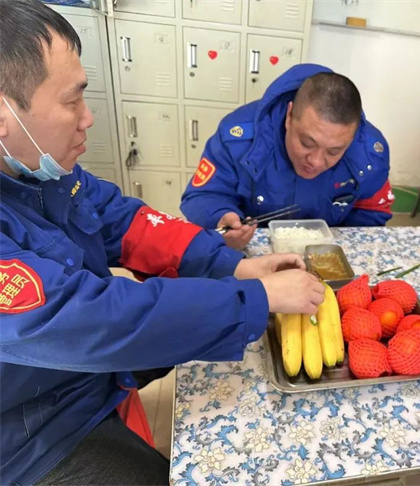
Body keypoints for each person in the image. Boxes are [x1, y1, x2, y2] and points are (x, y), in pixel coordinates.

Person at [0, 1, 324, 484]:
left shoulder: (42, 171)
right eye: (72, 102)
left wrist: (233, 267)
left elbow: (126, 221)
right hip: (32, 428)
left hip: (84, 372)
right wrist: (254, 297)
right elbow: (86, 318)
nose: (88, 118)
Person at [180, 63, 394, 249]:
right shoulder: (238, 138)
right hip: (253, 250)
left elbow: (373, 211)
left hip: (326, 253)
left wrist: (340, 246)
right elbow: (201, 196)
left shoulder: (370, 153)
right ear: (289, 116)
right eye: (307, 143)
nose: (316, 161)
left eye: (334, 151)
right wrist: (221, 218)